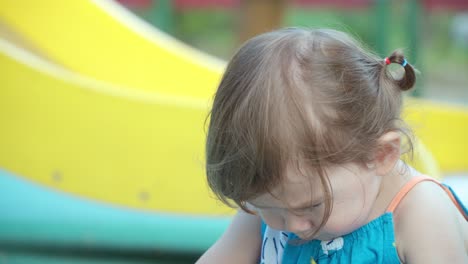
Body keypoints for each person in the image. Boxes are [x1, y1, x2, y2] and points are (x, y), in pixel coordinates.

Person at [196, 28, 468, 264]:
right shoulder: (278, 199)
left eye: (313, 206)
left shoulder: (422, 214)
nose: (292, 226)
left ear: (380, 155)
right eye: (268, 207)